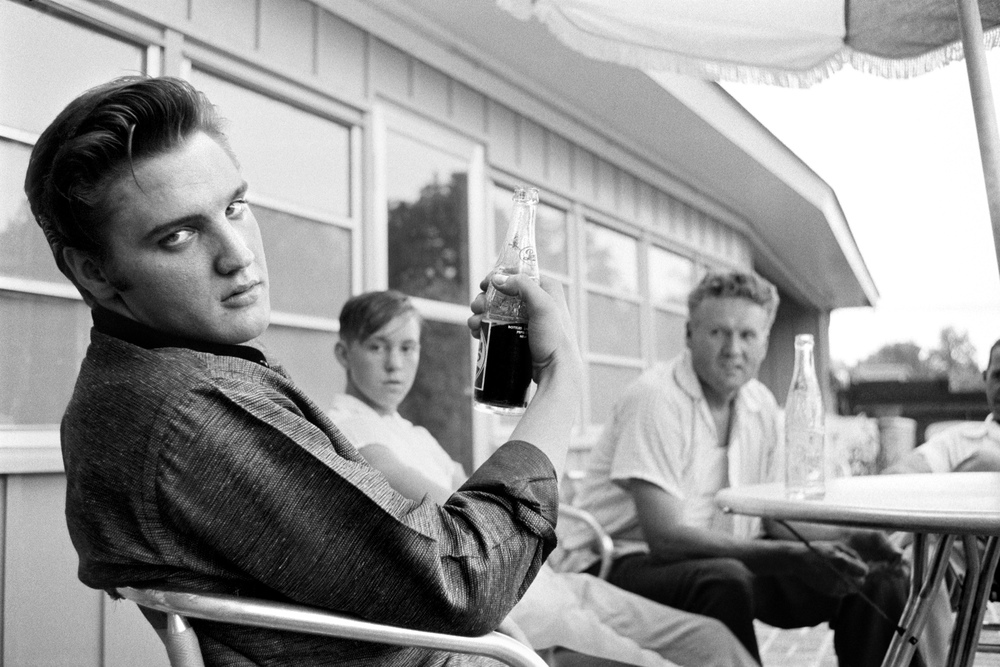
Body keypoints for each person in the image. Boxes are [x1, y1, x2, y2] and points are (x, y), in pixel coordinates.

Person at [24, 75, 583, 666]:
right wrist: (561, 375)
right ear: (93, 272)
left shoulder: (154, 385)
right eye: (179, 235)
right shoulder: (189, 410)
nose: (237, 254)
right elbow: (464, 580)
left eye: (235, 207)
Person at [327, 289, 758, 667]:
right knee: (652, 661)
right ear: (345, 354)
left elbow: (477, 492)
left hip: (546, 580)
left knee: (712, 639)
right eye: (377, 347)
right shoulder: (347, 426)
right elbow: (462, 512)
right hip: (503, 602)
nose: (394, 365)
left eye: (407, 348)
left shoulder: (416, 434)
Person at [554, 270, 919, 667]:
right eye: (717, 333)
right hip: (619, 563)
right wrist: (791, 558)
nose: (733, 349)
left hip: (724, 559)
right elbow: (666, 539)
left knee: (873, 574)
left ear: (765, 342)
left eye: (747, 335)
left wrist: (850, 538)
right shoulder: (656, 398)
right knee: (724, 580)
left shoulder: (760, 404)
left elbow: (777, 521)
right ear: (689, 335)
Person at [879, 336, 1000, 665]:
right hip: (962, 567)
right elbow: (899, 476)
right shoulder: (961, 439)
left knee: (988, 463)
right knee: (924, 558)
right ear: (985, 377)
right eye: (999, 375)